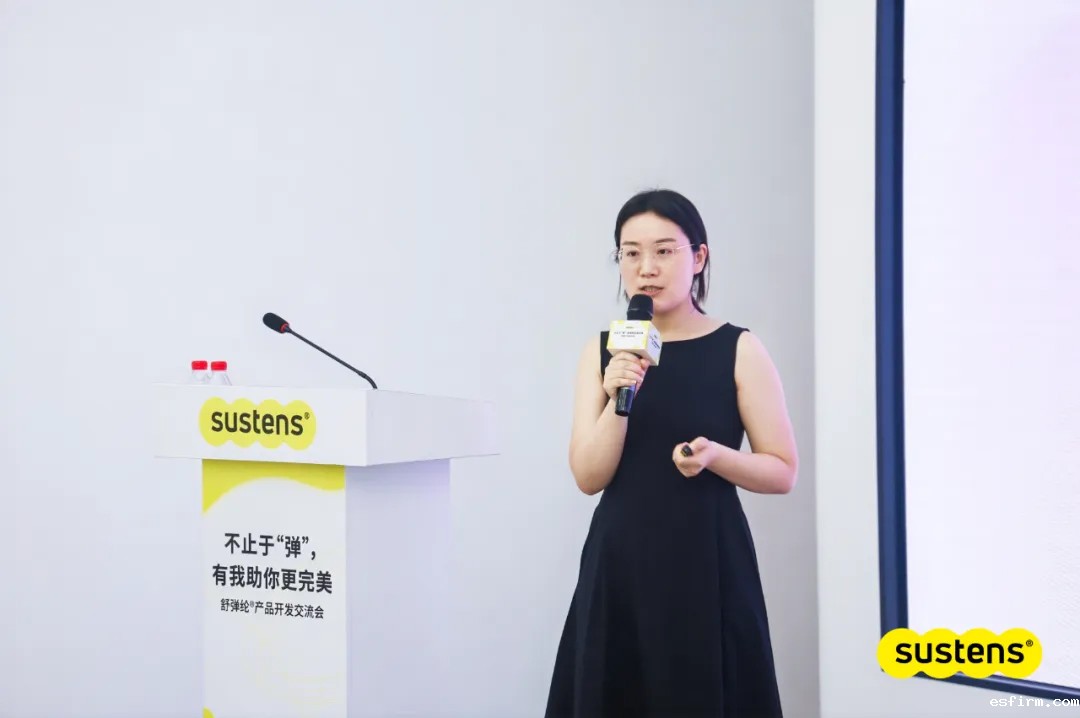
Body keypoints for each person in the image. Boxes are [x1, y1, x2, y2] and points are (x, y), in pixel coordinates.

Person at [544, 189, 798, 718]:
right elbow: (588, 476)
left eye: (664, 251)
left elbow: (782, 471)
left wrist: (715, 457)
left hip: (707, 562)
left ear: (698, 257)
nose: (646, 268)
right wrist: (618, 398)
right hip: (621, 563)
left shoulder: (738, 348)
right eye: (631, 253)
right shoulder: (604, 350)